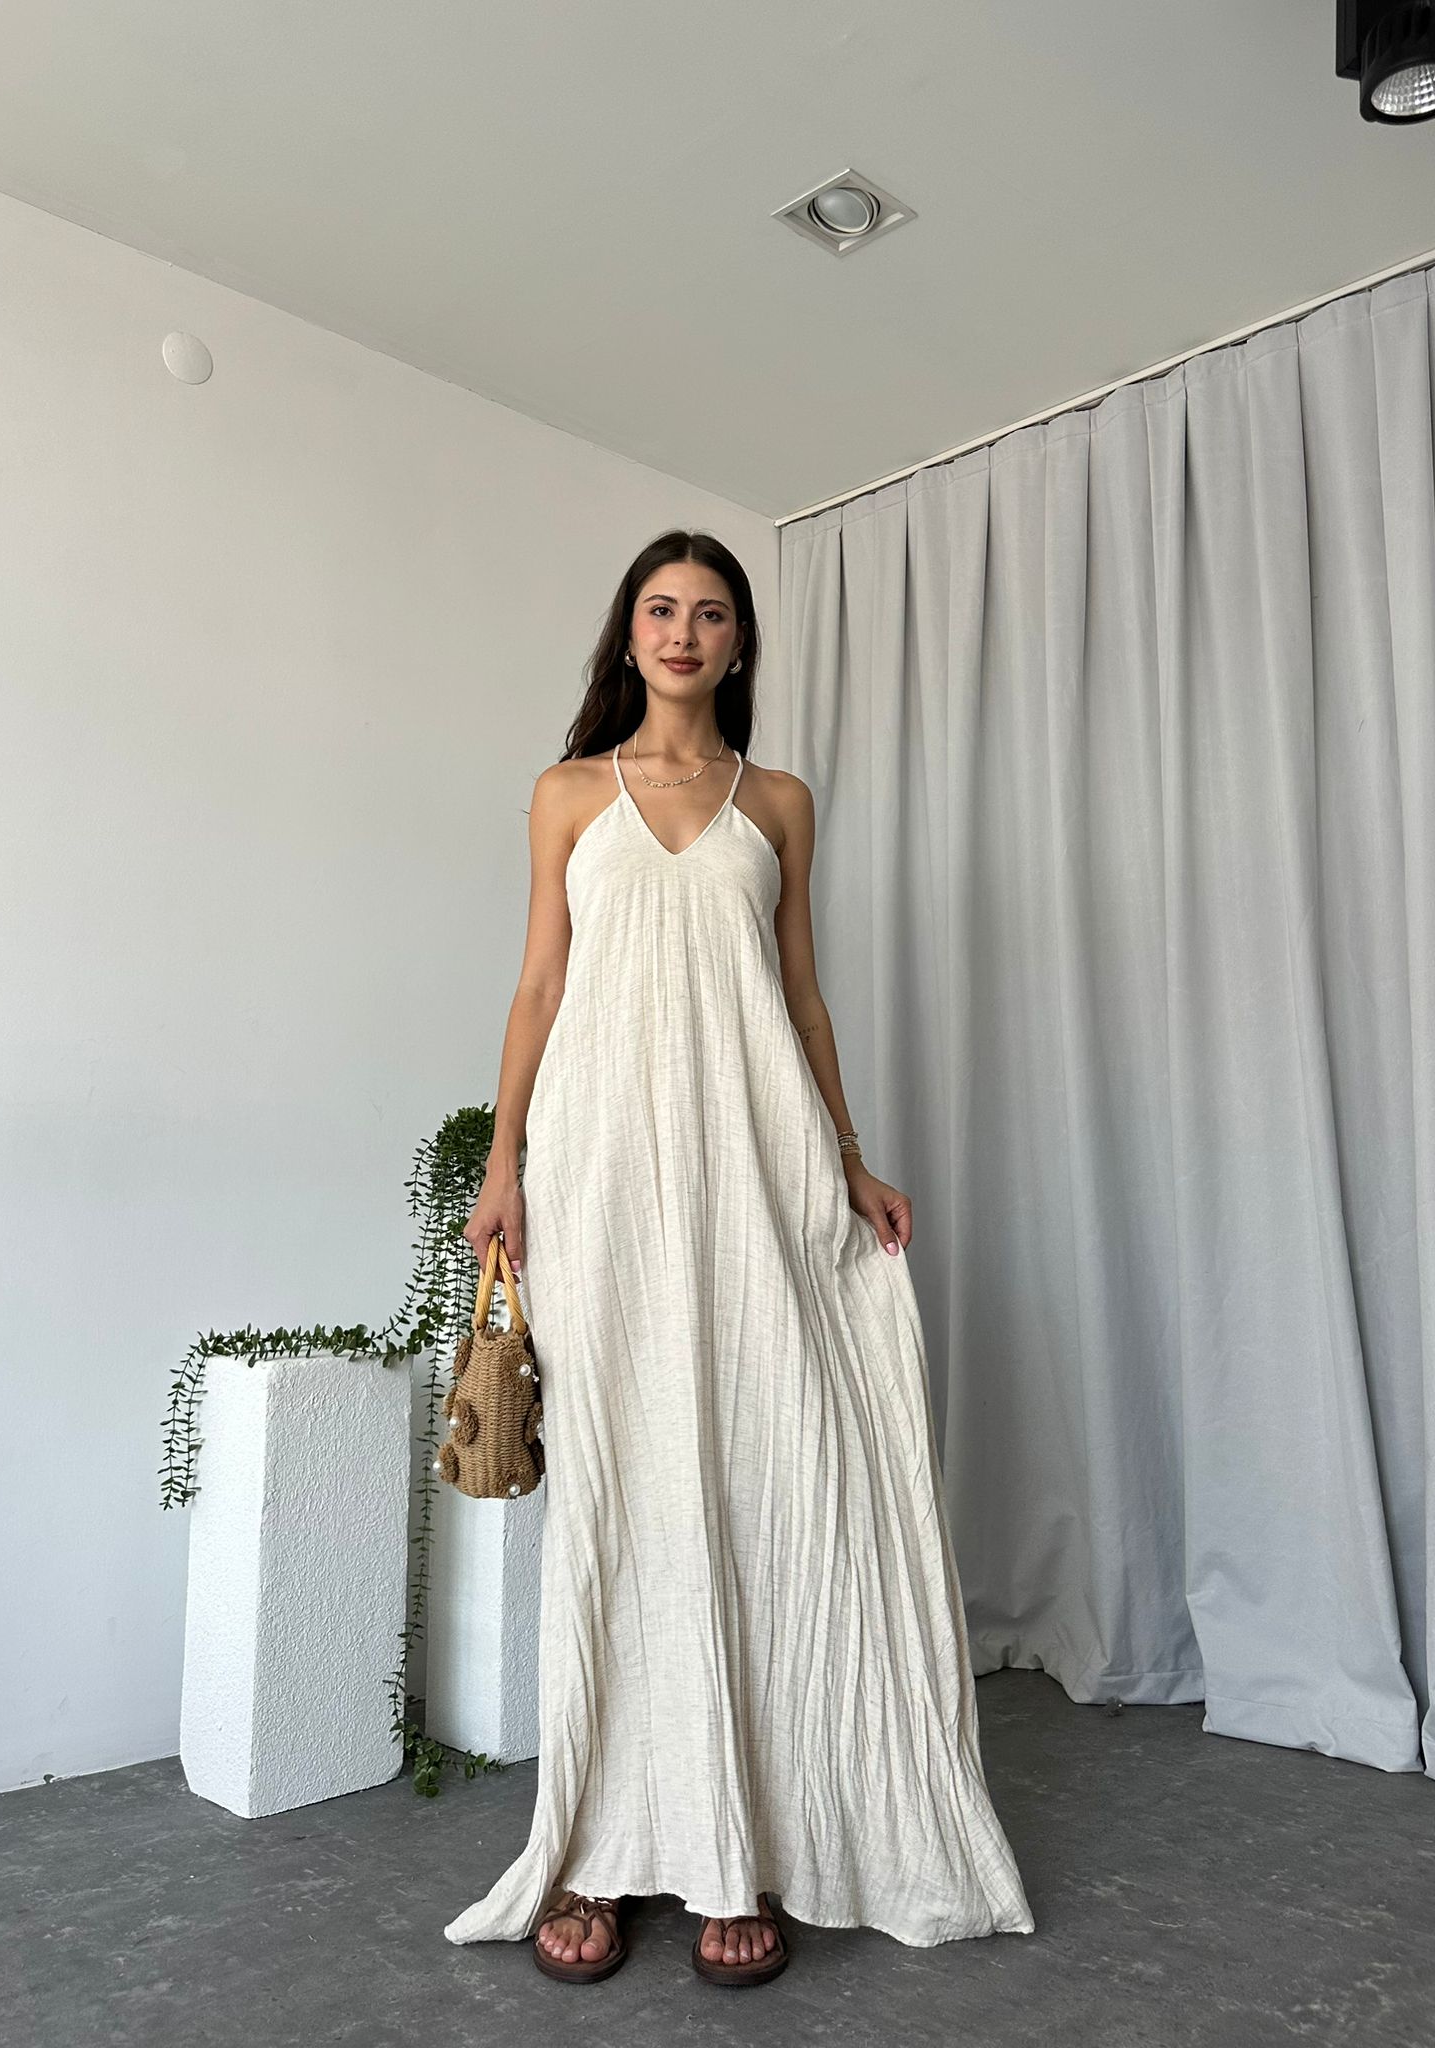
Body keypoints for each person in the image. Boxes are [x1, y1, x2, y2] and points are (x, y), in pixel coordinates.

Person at [443, 530, 1034, 1985]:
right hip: (601, 1172)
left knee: (766, 1477)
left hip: (753, 1164)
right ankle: (596, 1848)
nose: (684, 632)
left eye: (711, 613)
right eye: (662, 609)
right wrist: (504, 1163)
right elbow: (539, 985)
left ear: (739, 642)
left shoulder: (778, 802)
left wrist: (850, 1157)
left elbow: (802, 997)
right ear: (629, 632)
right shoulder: (568, 794)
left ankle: (739, 1846)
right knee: (621, 1494)